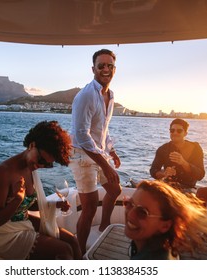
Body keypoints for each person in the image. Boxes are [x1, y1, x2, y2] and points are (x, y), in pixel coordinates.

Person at [0, 120, 82, 259]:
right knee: (63, 251)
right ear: (32, 145)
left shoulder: (30, 168)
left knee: (73, 241)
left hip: (23, 222)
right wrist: (17, 200)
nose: (40, 165)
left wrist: (56, 205)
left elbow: (29, 204)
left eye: (47, 164)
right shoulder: (3, 173)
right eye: (41, 159)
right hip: (2, 235)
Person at [69, 48, 122, 254]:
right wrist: (105, 165)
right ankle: (80, 253)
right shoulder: (86, 96)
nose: (106, 69)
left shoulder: (110, 95)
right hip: (81, 155)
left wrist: (112, 151)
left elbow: (102, 130)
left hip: (97, 152)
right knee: (89, 206)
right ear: (93, 69)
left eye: (110, 65)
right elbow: (82, 135)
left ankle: (104, 228)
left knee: (115, 190)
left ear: (114, 69)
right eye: (101, 66)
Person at [124, 180, 207, 260]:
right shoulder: (161, 246)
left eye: (142, 212)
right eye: (129, 204)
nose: (130, 215)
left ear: (165, 226)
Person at [150, 118, 205, 192]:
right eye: (172, 130)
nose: (175, 133)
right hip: (168, 187)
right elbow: (153, 170)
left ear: (185, 133)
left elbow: (200, 175)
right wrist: (164, 173)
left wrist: (183, 163)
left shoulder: (195, 148)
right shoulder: (163, 149)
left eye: (179, 131)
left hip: (188, 188)